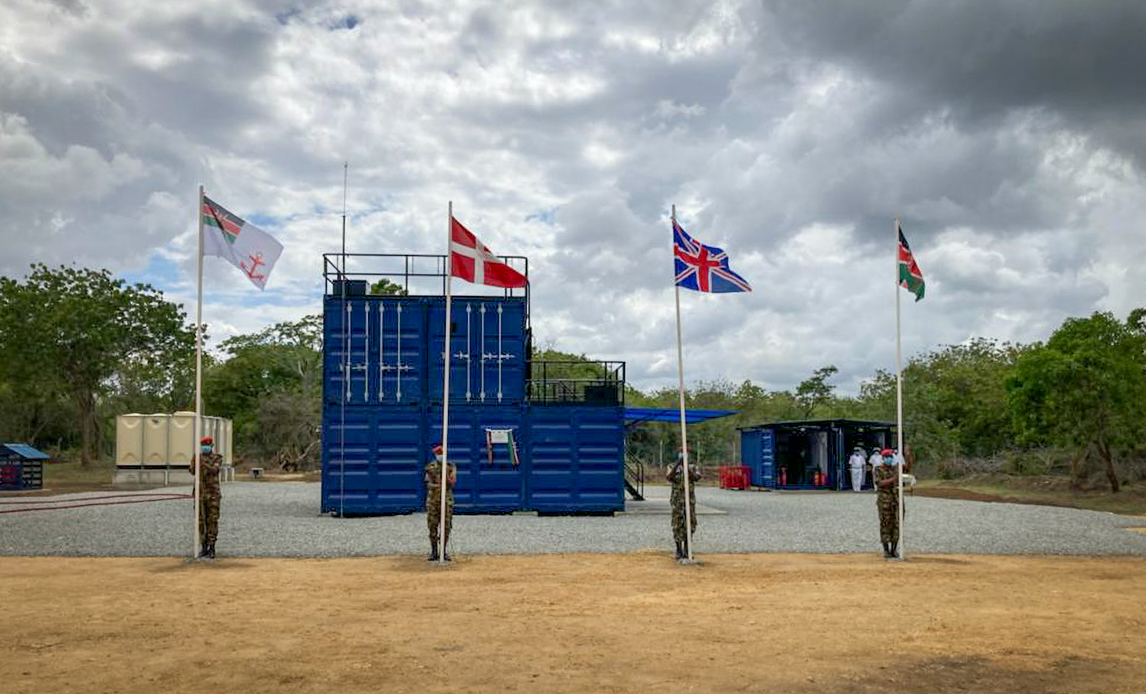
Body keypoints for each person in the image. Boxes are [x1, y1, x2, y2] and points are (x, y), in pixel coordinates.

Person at [666, 450, 702, 560]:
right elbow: (669, 477)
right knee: (677, 524)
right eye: (681, 452)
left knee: (690, 524)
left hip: (689, 501)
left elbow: (696, 477)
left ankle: (687, 549)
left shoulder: (693, 467)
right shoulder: (671, 466)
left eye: (685, 452)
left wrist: (687, 467)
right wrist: (678, 464)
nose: (683, 454)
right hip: (677, 501)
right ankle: (678, 550)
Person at [425, 443, 457, 562]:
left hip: (446, 501)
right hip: (433, 501)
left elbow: (452, 483)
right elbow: (428, 484)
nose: (440, 456)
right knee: (432, 526)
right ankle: (434, 552)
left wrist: (447, 474)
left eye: (442, 454)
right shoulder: (430, 467)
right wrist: (438, 485)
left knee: (446, 527)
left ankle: (443, 552)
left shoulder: (450, 466)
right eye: (438, 454)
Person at [193, 436, 223, 559]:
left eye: (207, 445)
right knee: (201, 521)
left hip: (213, 495)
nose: (205, 447)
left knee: (212, 520)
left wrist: (203, 463)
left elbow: (215, 470)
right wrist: (195, 462)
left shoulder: (217, 457)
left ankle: (212, 547)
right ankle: (204, 546)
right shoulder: (197, 457)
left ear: (211, 446)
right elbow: (192, 471)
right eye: (203, 445)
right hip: (200, 494)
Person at [873, 448, 901, 558]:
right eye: (887, 457)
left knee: (896, 524)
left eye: (891, 457)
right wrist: (893, 479)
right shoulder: (878, 469)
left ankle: (894, 549)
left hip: (895, 500)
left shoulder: (894, 469)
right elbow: (879, 483)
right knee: (885, 524)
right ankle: (886, 550)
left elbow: (907, 467)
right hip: (884, 501)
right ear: (883, 458)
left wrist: (908, 455)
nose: (889, 459)